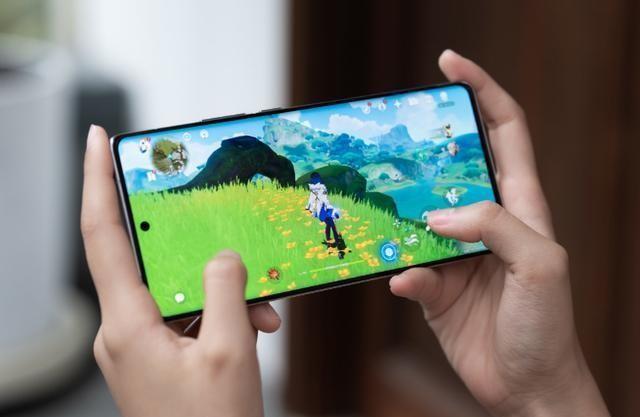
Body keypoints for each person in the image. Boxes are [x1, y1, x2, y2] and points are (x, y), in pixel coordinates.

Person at [81, 49, 610, 417]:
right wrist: (549, 395)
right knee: (329, 237)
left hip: (333, 225)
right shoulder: (309, 195)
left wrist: (547, 393)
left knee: (333, 238)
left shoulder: (320, 198)